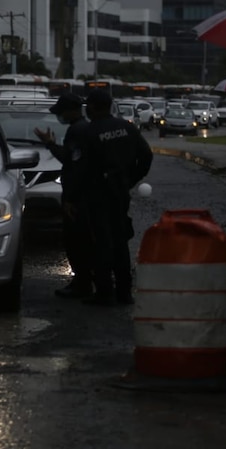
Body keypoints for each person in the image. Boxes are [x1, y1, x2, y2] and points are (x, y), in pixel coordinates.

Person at [80, 89, 154, 307]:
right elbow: (146, 156)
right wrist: (130, 180)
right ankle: (124, 291)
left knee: (101, 242)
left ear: (92, 107)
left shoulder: (89, 131)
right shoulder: (126, 127)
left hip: (98, 194)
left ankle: (104, 292)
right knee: (120, 241)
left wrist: (75, 196)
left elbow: (82, 167)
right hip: (120, 193)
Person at [34, 92, 93, 299]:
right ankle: (84, 281)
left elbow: (72, 163)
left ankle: (82, 283)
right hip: (85, 196)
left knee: (76, 242)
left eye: (61, 112)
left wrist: (70, 200)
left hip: (78, 198)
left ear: (70, 111)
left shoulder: (77, 131)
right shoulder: (83, 128)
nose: (59, 116)